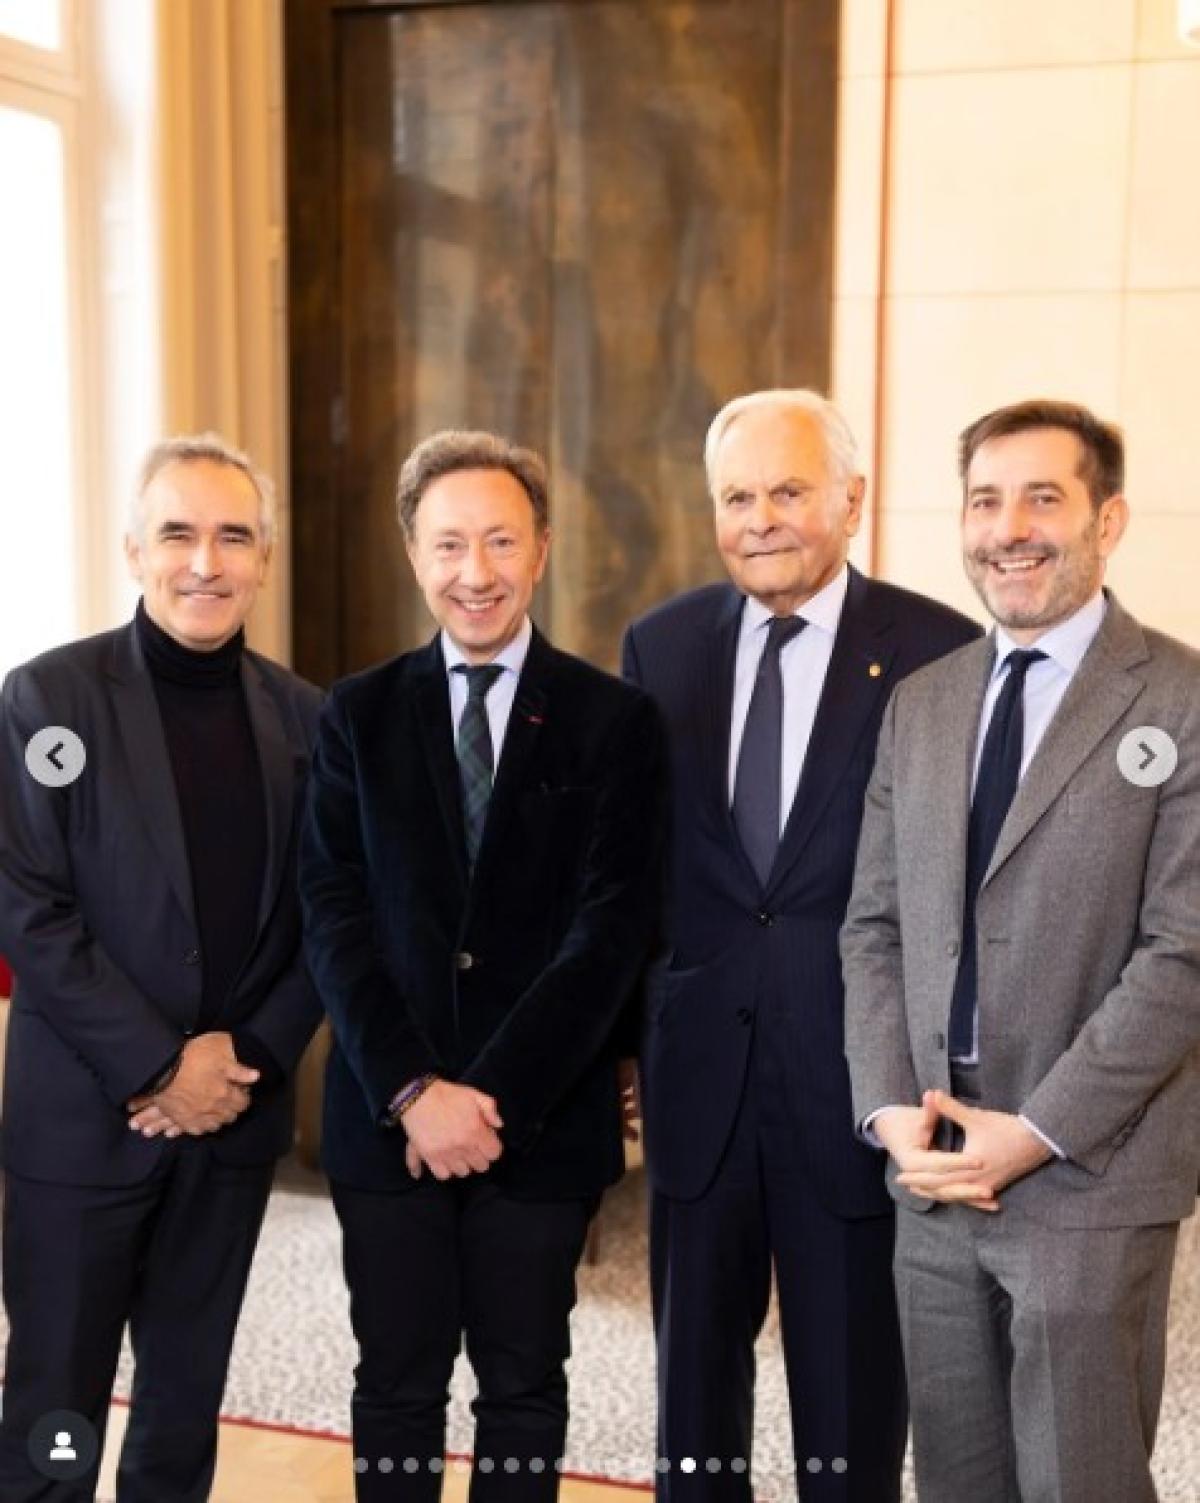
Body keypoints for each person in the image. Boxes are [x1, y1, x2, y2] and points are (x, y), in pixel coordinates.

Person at [621, 389, 980, 1500]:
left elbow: (962, 889)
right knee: (692, 1414)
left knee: (851, 1413)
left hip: (858, 1091)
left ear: (852, 500)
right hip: (699, 1085)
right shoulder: (660, 645)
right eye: (737, 497)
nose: (761, 519)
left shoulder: (938, 651)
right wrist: (629, 1043)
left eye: (788, 491)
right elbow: (634, 869)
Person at [840, 399, 1200, 1503]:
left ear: (1108, 520)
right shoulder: (922, 705)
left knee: (1079, 1482)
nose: (1009, 529)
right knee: (956, 1483)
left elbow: (1184, 954)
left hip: (1091, 1177)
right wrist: (891, 1112)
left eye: (1044, 498)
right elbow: (873, 927)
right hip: (934, 1171)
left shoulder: (1181, 700)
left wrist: (1036, 1132)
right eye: (985, 501)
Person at [299, 428, 666, 1502]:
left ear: (541, 550)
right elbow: (334, 916)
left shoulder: (615, 720)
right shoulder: (356, 714)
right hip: (388, 1124)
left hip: (540, 1126)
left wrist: (488, 1098)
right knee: (395, 1387)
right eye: (450, 543)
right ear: (414, 553)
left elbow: (612, 931)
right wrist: (416, 1092)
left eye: (501, 541)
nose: (476, 571)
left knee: (523, 1389)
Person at [0, 434, 323, 1502]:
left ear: (263, 558)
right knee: (54, 1414)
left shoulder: (308, 722)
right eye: (178, 533)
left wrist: (245, 1059)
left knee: (182, 1417)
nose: (205, 562)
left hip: (229, 1127)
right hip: (81, 1129)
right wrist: (157, 1066)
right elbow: (30, 908)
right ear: (135, 549)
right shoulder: (48, 703)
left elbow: (326, 921)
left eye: (234, 536)